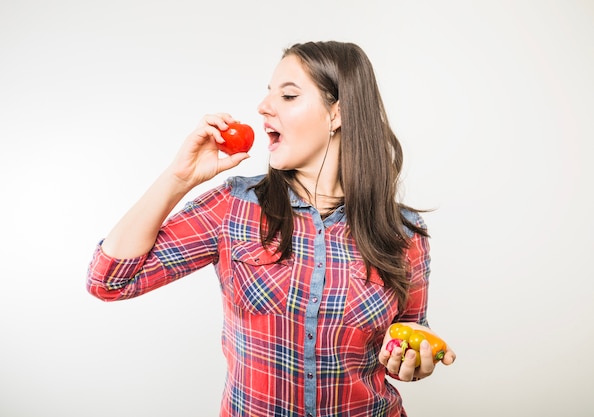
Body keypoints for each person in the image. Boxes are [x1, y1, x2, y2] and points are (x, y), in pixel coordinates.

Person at [86, 40, 456, 417]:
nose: (263, 107)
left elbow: (411, 328)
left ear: (338, 113)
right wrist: (178, 179)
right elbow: (108, 280)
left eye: (289, 95)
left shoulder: (404, 231)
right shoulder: (234, 206)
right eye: (268, 93)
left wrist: (413, 356)